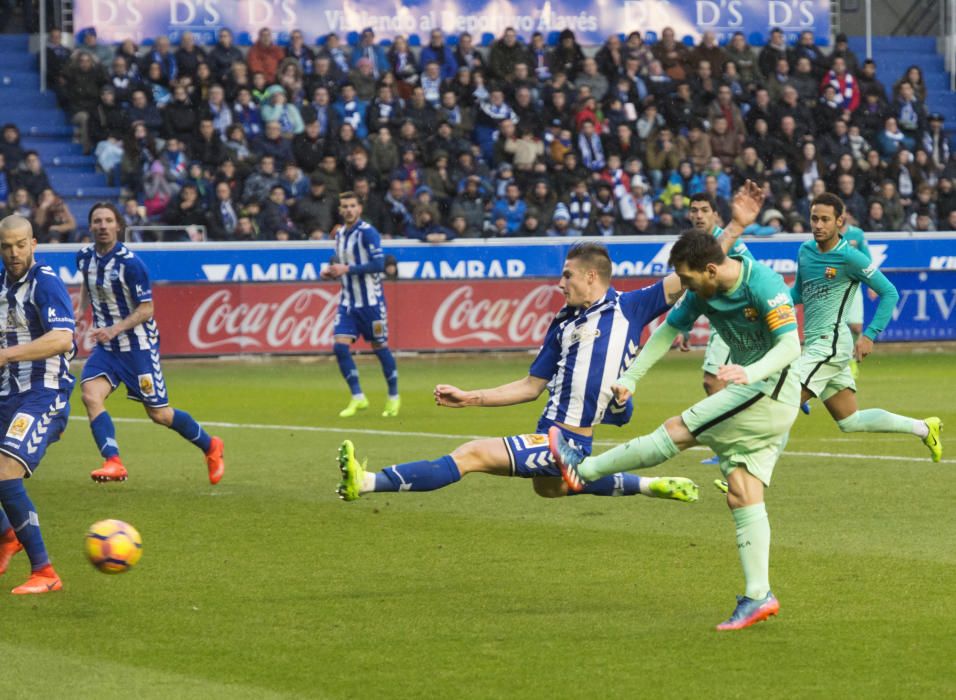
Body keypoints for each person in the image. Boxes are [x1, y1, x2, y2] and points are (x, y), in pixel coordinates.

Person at [336, 183, 765, 503]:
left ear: (592, 277)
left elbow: (692, 269)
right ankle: (652, 485)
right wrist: (472, 398)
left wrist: (737, 225)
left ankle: (368, 481)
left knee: (470, 455)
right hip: (550, 436)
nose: (560, 284)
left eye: (567, 276)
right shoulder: (562, 323)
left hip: (570, 440)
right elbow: (530, 386)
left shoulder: (631, 308)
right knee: (551, 489)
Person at [550, 230, 802, 631]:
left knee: (676, 430)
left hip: (767, 391)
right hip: (761, 395)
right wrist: (631, 378)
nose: (683, 288)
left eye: (687, 279)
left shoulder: (764, 283)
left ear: (711, 269)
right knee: (741, 491)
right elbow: (667, 331)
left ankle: (585, 470)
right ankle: (758, 595)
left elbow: (791, 347)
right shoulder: (701, 290)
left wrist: (748, 371)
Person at [76, 203, 225, 483]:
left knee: (159, 414)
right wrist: (79, 310)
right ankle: (113, 461)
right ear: (91, 226)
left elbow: (147, 309)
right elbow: (87, 282)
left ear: (118, 226)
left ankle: (211, 446)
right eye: (97, 221)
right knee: (90, 395)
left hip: (138, 347)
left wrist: (115, 328)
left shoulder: (131, 265)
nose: (103, 225)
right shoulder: (84, 257)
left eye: (108, 220)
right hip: (108, 349)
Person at [790, 193, 941, 458]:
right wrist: (774, 305)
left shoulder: (851, 257)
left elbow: (889, 292)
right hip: (816, 344)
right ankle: (923, 428)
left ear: (840, 221)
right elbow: (799, 294)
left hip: (831, 345)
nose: (818, 225)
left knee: (779, 405)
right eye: (814, 218)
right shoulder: (805, 251)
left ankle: (740, 467)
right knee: (850, 421)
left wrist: (870, 335)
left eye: (825, 219)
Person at [0, 215, 75, 594]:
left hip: (44, 394)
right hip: (6, 395)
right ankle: (6, 535)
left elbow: (62, 339)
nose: (13, 253)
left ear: (33, 243)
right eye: (6, 247)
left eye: (20, 245)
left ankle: (45, 571)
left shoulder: (45, 284)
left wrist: (7, 355)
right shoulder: (1, 286)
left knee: (4, 471)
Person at [322, 192, 400, 418]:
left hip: (371, 304)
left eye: (352, 206)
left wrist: (347, 269)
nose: (348, 210)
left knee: (380, 348)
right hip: (348, 303)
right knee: (339, 346)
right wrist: (330, 271)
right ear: (340, 209)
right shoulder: (339, 234)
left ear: (359, 209)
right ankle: (358, 396)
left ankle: (393, 396)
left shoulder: (368, 233)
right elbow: (340, 263)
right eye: (344, 206)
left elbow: (379, 264)